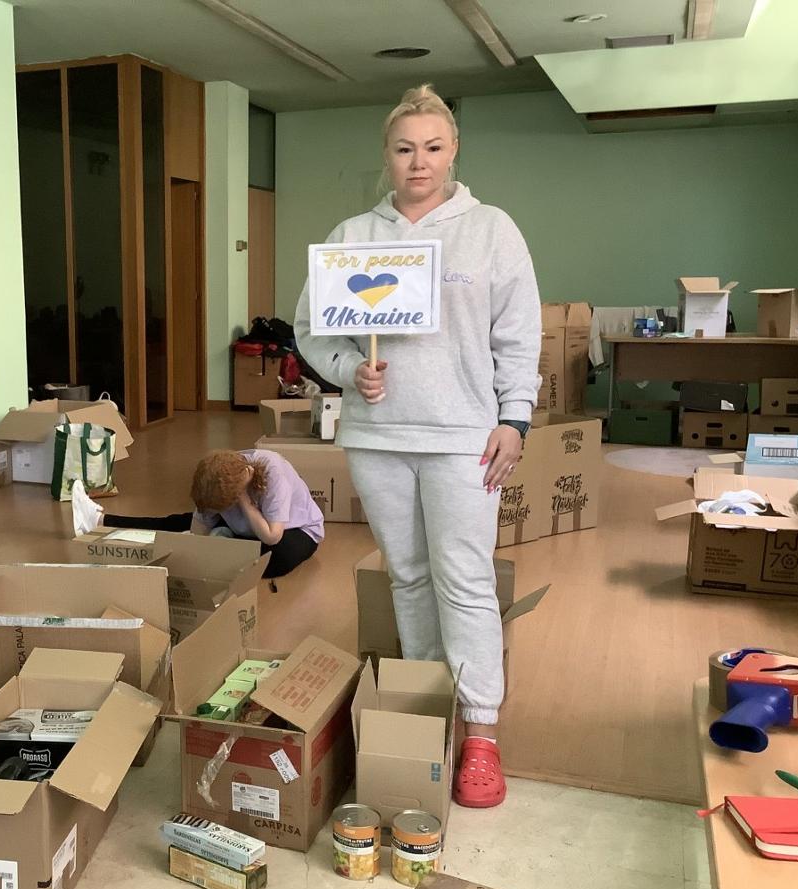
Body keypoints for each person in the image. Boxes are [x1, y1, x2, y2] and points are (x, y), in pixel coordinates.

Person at [295, 85, 541, 809]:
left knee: (463, 578)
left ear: (454, 150)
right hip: (378, 436)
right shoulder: (352, 236)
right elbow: (314, 328)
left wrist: (515, 419)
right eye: (405, 149)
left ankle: (483, 736)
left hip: (466, 436)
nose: (419, 162)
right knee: (408, 575)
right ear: (387, 156)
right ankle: (432, 711)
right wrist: (349, 370)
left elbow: (519, 334)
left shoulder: (491, 230)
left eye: (433, 147)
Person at [70, 449, 323, 579]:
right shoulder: (216, 476)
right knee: (178, 523)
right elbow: (197, 530)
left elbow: (272, 536)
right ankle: (100, 520)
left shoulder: (272, 471)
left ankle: (225, 541)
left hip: (294, 530)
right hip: (243, 528)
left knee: (277, 555)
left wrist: (244, 499)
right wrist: (192, 547)